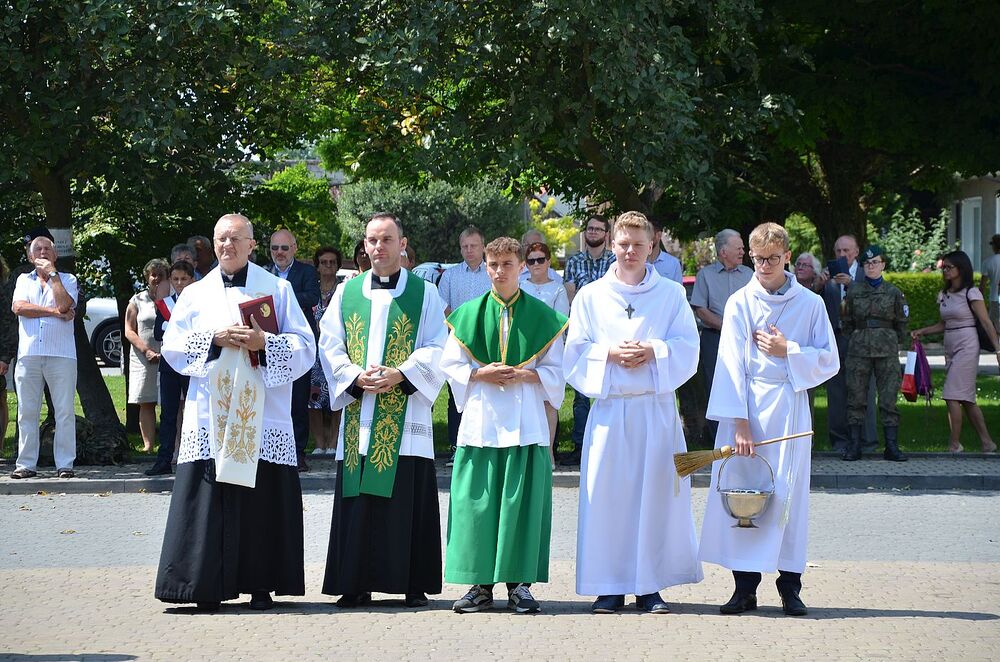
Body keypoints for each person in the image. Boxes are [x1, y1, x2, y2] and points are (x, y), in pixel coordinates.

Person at [154, 214, 315, 611]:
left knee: (261, 500)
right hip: (211, 412)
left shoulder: (277, 289)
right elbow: (172, 347)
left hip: (262, 412)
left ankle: (262, 584)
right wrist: (213, 339)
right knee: (209, 497)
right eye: (221, 239)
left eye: (235, 239)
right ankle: (204, 585)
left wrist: (265, 342)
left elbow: (305, 347)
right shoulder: (194, 294)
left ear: (251, 245)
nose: (227, 245)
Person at [564, 211, 702, 614]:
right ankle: (609, 586)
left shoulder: (671, 294)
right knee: (608, 500)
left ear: (651, 247)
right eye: (623, 244)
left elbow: (688, 349)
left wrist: (653, 351)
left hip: (655, 411)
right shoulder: (591, 296)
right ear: (612, 244)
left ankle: (649, 586)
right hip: (610, 411)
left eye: (638, 245)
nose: (629, 252)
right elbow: (573, 353)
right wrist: (608, 352)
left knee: (655, 498)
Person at [699, 222, 839, 617]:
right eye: (758, 259)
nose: (764, 266)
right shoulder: (741, 302)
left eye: (772, 260)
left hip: (790, 406)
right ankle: (744, 589)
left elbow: (829, 360)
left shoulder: (810, 304)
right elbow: (728, 366)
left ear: (787, 257)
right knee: (745, 496)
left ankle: (790, 588)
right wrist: (739, 423)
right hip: (747, 408)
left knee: (788, 497)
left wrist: (788, 350)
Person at [319, 212, 448, 609]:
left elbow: (438, 345)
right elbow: (330, 342)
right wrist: (354, 377)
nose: (378, 247)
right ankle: (354, 583)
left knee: (405, 498)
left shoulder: (425, 293)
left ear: (402, 244)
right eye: (372, 241)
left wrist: (401, 374)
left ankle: (412, 584)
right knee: (360, 504)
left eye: (387, 240)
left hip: (405, 415)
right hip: (361, 413)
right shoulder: (347, 292)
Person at [442, 237, 568, 614]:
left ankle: (519, 586)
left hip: (525, 420)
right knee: (477, 503)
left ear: (522, 266)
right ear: (486, 265)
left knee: (521, 502)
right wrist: (480, 373)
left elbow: (559, 370)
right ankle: (479, 585)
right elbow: (450, 365)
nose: (499, 271)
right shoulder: (467, 314)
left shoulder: (543, 316)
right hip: (481, 421)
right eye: (493, 264)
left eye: (507, 264)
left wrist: (527, 376)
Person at [912, 251, 999, 453]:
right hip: (950, 345)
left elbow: (986, 322)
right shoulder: (945, 294)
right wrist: (922, 331)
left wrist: (998, 349)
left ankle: (954, 444)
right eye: (944, 267)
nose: (945, 270)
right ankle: (987, 442)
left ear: (961, 268)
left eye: (949, 267)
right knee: (967, 399)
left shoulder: (972, 293)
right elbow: (944, 323)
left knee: (951, 394)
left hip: (967, 345)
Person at [10, 236, 79, 479]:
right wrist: (53, 312)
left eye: (47, 248)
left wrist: (53, 276)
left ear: (55, 255)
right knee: (27, 411)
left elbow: (65, 305)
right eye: (37, 249)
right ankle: (26, 464)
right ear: (30, 256)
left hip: (62, 354)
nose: (42, 252)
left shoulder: (68, 279)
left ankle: (65, 464)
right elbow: (19, 308)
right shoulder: (22, 280)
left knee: (64, 411)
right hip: (29, 354)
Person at [840, 245, 909, 461]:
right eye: (867, 263)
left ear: (883, 265)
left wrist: (895, 343)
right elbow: (846, 321)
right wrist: (857, 338)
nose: (871, 266)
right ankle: (855, 446)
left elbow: (902, 322)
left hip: (887, 351)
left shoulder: (894, 292)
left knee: (888, 399)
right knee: (856, 398)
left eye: (875, 262)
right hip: (858, 350)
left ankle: (891, 446)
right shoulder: (854, 291)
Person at [560, 214, 617, 466]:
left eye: (598, 229)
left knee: (610, 388)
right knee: (582, 392)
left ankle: (610, 444)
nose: (593, 232)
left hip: (610, 330)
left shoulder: (615, 261)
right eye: (589, 228)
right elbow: (571, 297)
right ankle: (580, 444)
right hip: (584, 329)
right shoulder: (574, 261)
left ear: (607, 234)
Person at [690, 229, 753, 442]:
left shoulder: (750, 275)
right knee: (715, 386)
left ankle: (746, 436)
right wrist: (728, 326)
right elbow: (701, 309)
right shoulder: (705, 275)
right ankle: (719, 440)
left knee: (745, 384)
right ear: (723, 251)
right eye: (739, 248)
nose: (743, 251)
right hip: (713, 340)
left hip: (746, 341)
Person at [437, 226, 491, 465]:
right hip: (458, 343)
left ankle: (486, 446)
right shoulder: (450, 275)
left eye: (474, 246)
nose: (469, 251)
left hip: (488, 342)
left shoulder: (491, 273)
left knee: (487, 392)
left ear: (483, 247)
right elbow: (442, 306)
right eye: (465, 246)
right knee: (456, 395)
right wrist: (460, 329)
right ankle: (456, 447)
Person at [269, 229, 321, 472]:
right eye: (274, 248)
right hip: (267, 346)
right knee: (272, 400)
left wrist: (281, 296)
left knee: (298, 401)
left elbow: (312, 297)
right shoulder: (261, 274)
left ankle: (298, 453)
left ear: (294, 248)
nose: (279, 253)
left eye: (284, 248)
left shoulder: (307, 272)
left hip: (296, 347)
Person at [821, 235, 879, 453]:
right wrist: (821, 283)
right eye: (838, 251)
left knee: (864, 390)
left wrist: (851, 285)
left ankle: (867, 442)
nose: (842, 255)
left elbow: (877, 301)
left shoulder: (867, 273)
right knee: (836, 392)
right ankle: (840, 441)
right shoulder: (829, 276)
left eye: (846, 251)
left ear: (856, 252)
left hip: (862, 340)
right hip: (835, 339)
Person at [145, 260, 196, 476]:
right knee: (168, 413)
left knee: (195, 410)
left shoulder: (199, 303)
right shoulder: (165, 303)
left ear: (191, 280)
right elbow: (158, 332)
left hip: (192, 362)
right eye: (175, 279)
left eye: (184, 279)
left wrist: (171, 327)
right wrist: (171, 327)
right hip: (169, 363)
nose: (179, 283)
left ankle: (194, 459)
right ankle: (164, 459)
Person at [522, 241, 570, 459]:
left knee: (550, 402)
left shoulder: (557, 288)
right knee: (526, 400)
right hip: (524, 349)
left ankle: (548, 452)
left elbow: (559, 320)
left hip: (551, 350)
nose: (536, 264)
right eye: (531, 261)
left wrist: (543, 346)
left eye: (541, 259)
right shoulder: (520, 286)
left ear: (549, 261)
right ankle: (528, 451)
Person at [125, 258, 170, 453]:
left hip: (169, 356)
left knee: (172, 401)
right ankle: (149, 446)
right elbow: (129, 330)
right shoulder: (137, 300)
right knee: (147, 401)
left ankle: (171, 444)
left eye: (161, 274)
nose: (157, 278)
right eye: (153, 274)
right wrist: (147, 351)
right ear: (147, 276)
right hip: (143, 357)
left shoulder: (172, 298)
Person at [309, 246, 343, 456]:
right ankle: (320, 443)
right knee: (313, 399)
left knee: (336, 395)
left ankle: (333, 442)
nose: (328, 266)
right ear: (318, 266)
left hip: (334, 350)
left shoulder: (343, 290)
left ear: (338, 265)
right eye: (324, 262)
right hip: (313, 352)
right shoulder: (312, 290)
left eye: (332, 262)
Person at [0, 258, 14, 457]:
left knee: (0, 400)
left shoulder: (3, 293)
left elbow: (7, 326)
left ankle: (0, 446)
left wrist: (4, 356)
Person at [647, 217, 683, 285]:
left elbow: (678, 293)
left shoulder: (673, 263)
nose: (644, 237)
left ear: (658, 235)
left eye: (648, 233)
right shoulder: (636, 261)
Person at [980, 234, 1000, 334]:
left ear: (994, 246)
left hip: (995, 299)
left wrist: (982, 304)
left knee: (997, 326)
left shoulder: (988, 262)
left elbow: (982, 286)